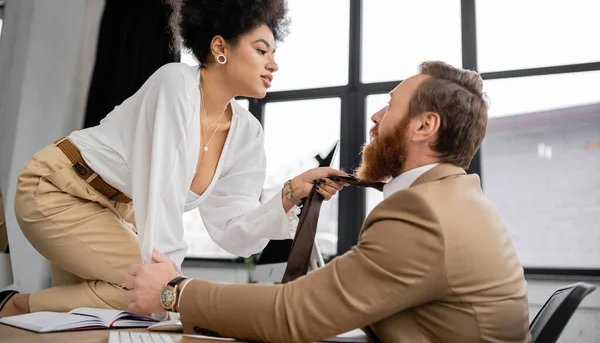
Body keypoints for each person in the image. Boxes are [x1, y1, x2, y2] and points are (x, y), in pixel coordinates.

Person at [0, 0, 348, 317]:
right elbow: (161, 193)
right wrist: (173, 286)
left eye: (274, 53)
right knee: (152, 299)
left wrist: (289, 194)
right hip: (59, 187)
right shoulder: (174, 85)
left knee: (92, 322)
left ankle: (26, 311)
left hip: (117, 212)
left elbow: (234, 231)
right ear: (219, 47)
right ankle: (14, 305)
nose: (273, 64)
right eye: (261, 50)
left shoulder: (246, 134)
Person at [124, 61, 531, 343]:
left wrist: (174, 291)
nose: (376, 117)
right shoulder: (458, 199)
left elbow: (291, 314)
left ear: (425, 126)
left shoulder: (425, 214)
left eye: (390, 105)